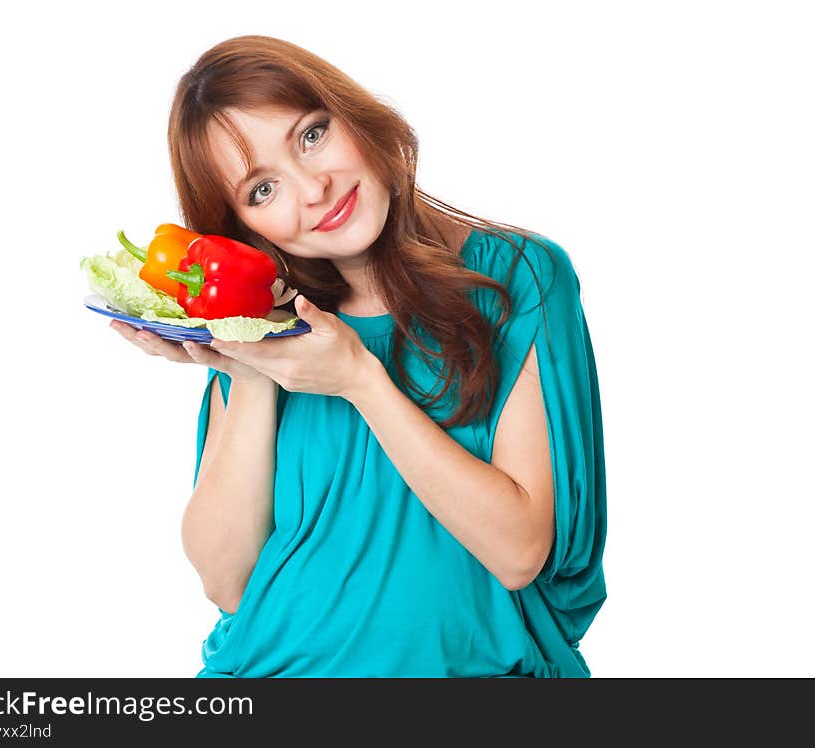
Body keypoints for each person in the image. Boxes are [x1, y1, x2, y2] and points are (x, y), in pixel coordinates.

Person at [110, 35, 607, 678]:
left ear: (351, 114)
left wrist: (361, 382)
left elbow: (519, 551)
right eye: (263, 190)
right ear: (241, 229)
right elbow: (228, 582)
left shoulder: (518, 279)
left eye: (311, 135)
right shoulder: (271, 320)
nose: (313, 190)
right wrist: (250, 364)